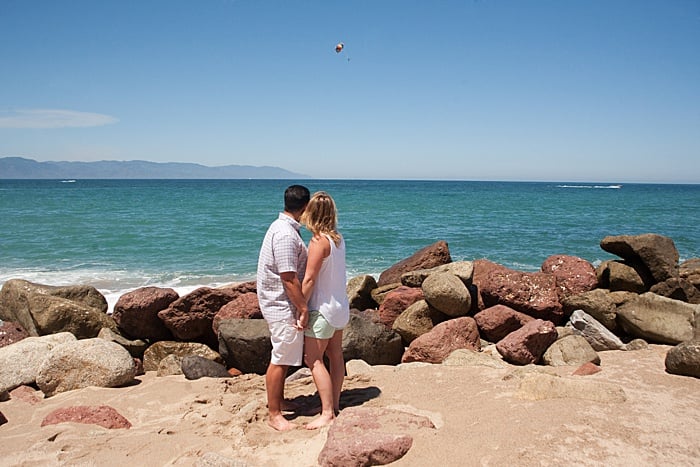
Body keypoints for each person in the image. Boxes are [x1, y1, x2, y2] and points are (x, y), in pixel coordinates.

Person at [256, 184, 310, 431]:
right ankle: (274, 413)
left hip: (279, 301)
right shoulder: (286, 235)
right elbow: (288, 277)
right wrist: (303, 308)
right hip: (281, 304)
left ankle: (279, 401)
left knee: (284, 356)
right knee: (280, 358)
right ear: (306, 207)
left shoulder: (281, 227)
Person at [300, 191, 350, 430]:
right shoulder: (338, 239)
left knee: (313, 359)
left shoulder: (319, 241)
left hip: (322, 309)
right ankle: (333, 404)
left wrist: (300, 306)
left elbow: (309, 279)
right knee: (335, 355)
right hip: (340, 307)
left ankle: (327, 412)